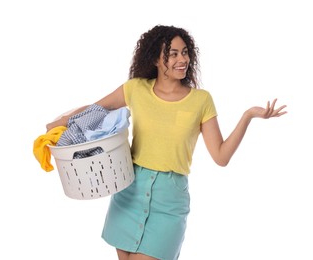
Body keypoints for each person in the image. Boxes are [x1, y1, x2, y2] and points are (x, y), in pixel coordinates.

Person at [46, 25, 287, 260]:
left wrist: (248, 116)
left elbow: (221, 156)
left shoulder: (201, 100)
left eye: (184, 52)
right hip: (129, 190)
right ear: (155, 59)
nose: (182, 59)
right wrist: (62, 122)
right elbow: (99, 109)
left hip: (169, 200)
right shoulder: (136, 89)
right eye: (173, 54)